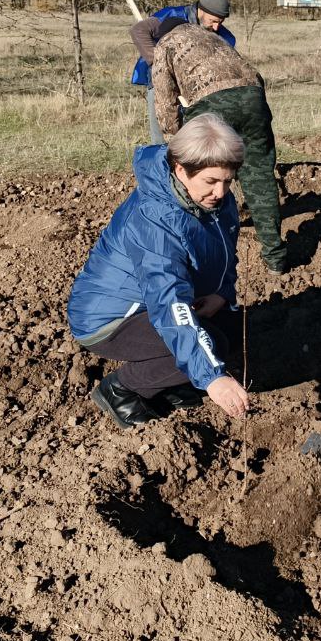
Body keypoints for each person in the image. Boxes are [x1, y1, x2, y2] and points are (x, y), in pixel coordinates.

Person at [66, 114, 250, 428]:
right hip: (110, 317)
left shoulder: (213, 201)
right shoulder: (154, 220)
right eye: (211, 181)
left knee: (230, 328)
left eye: (228, 181)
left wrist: (221, 292)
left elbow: (223, 250)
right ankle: (122, 389)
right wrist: (212, 378)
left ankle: (170, 383)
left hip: (159, 303)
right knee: (211, 346)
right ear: (180, 169)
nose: (221, 192)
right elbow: (168, 302)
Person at [142, 15, 288, 274]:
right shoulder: (210, 36)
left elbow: (165, 103)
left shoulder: (166, 43)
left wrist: (178, 144)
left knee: (203, 175)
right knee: (259, 179)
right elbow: (252, 73)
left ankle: (205, 251)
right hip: (254, 97)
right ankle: (275, 258)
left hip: (212, 102)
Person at [131, 0, 234, 145]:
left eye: (221, 22)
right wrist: (160, 63)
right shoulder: (173, 15)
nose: (217, 27)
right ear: (201, 10)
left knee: (194, 137)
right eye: (213, 21)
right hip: (161, 82)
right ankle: (162, 166)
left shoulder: (223, 36)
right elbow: (139, 31)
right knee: (163, 133)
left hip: (196, 88)